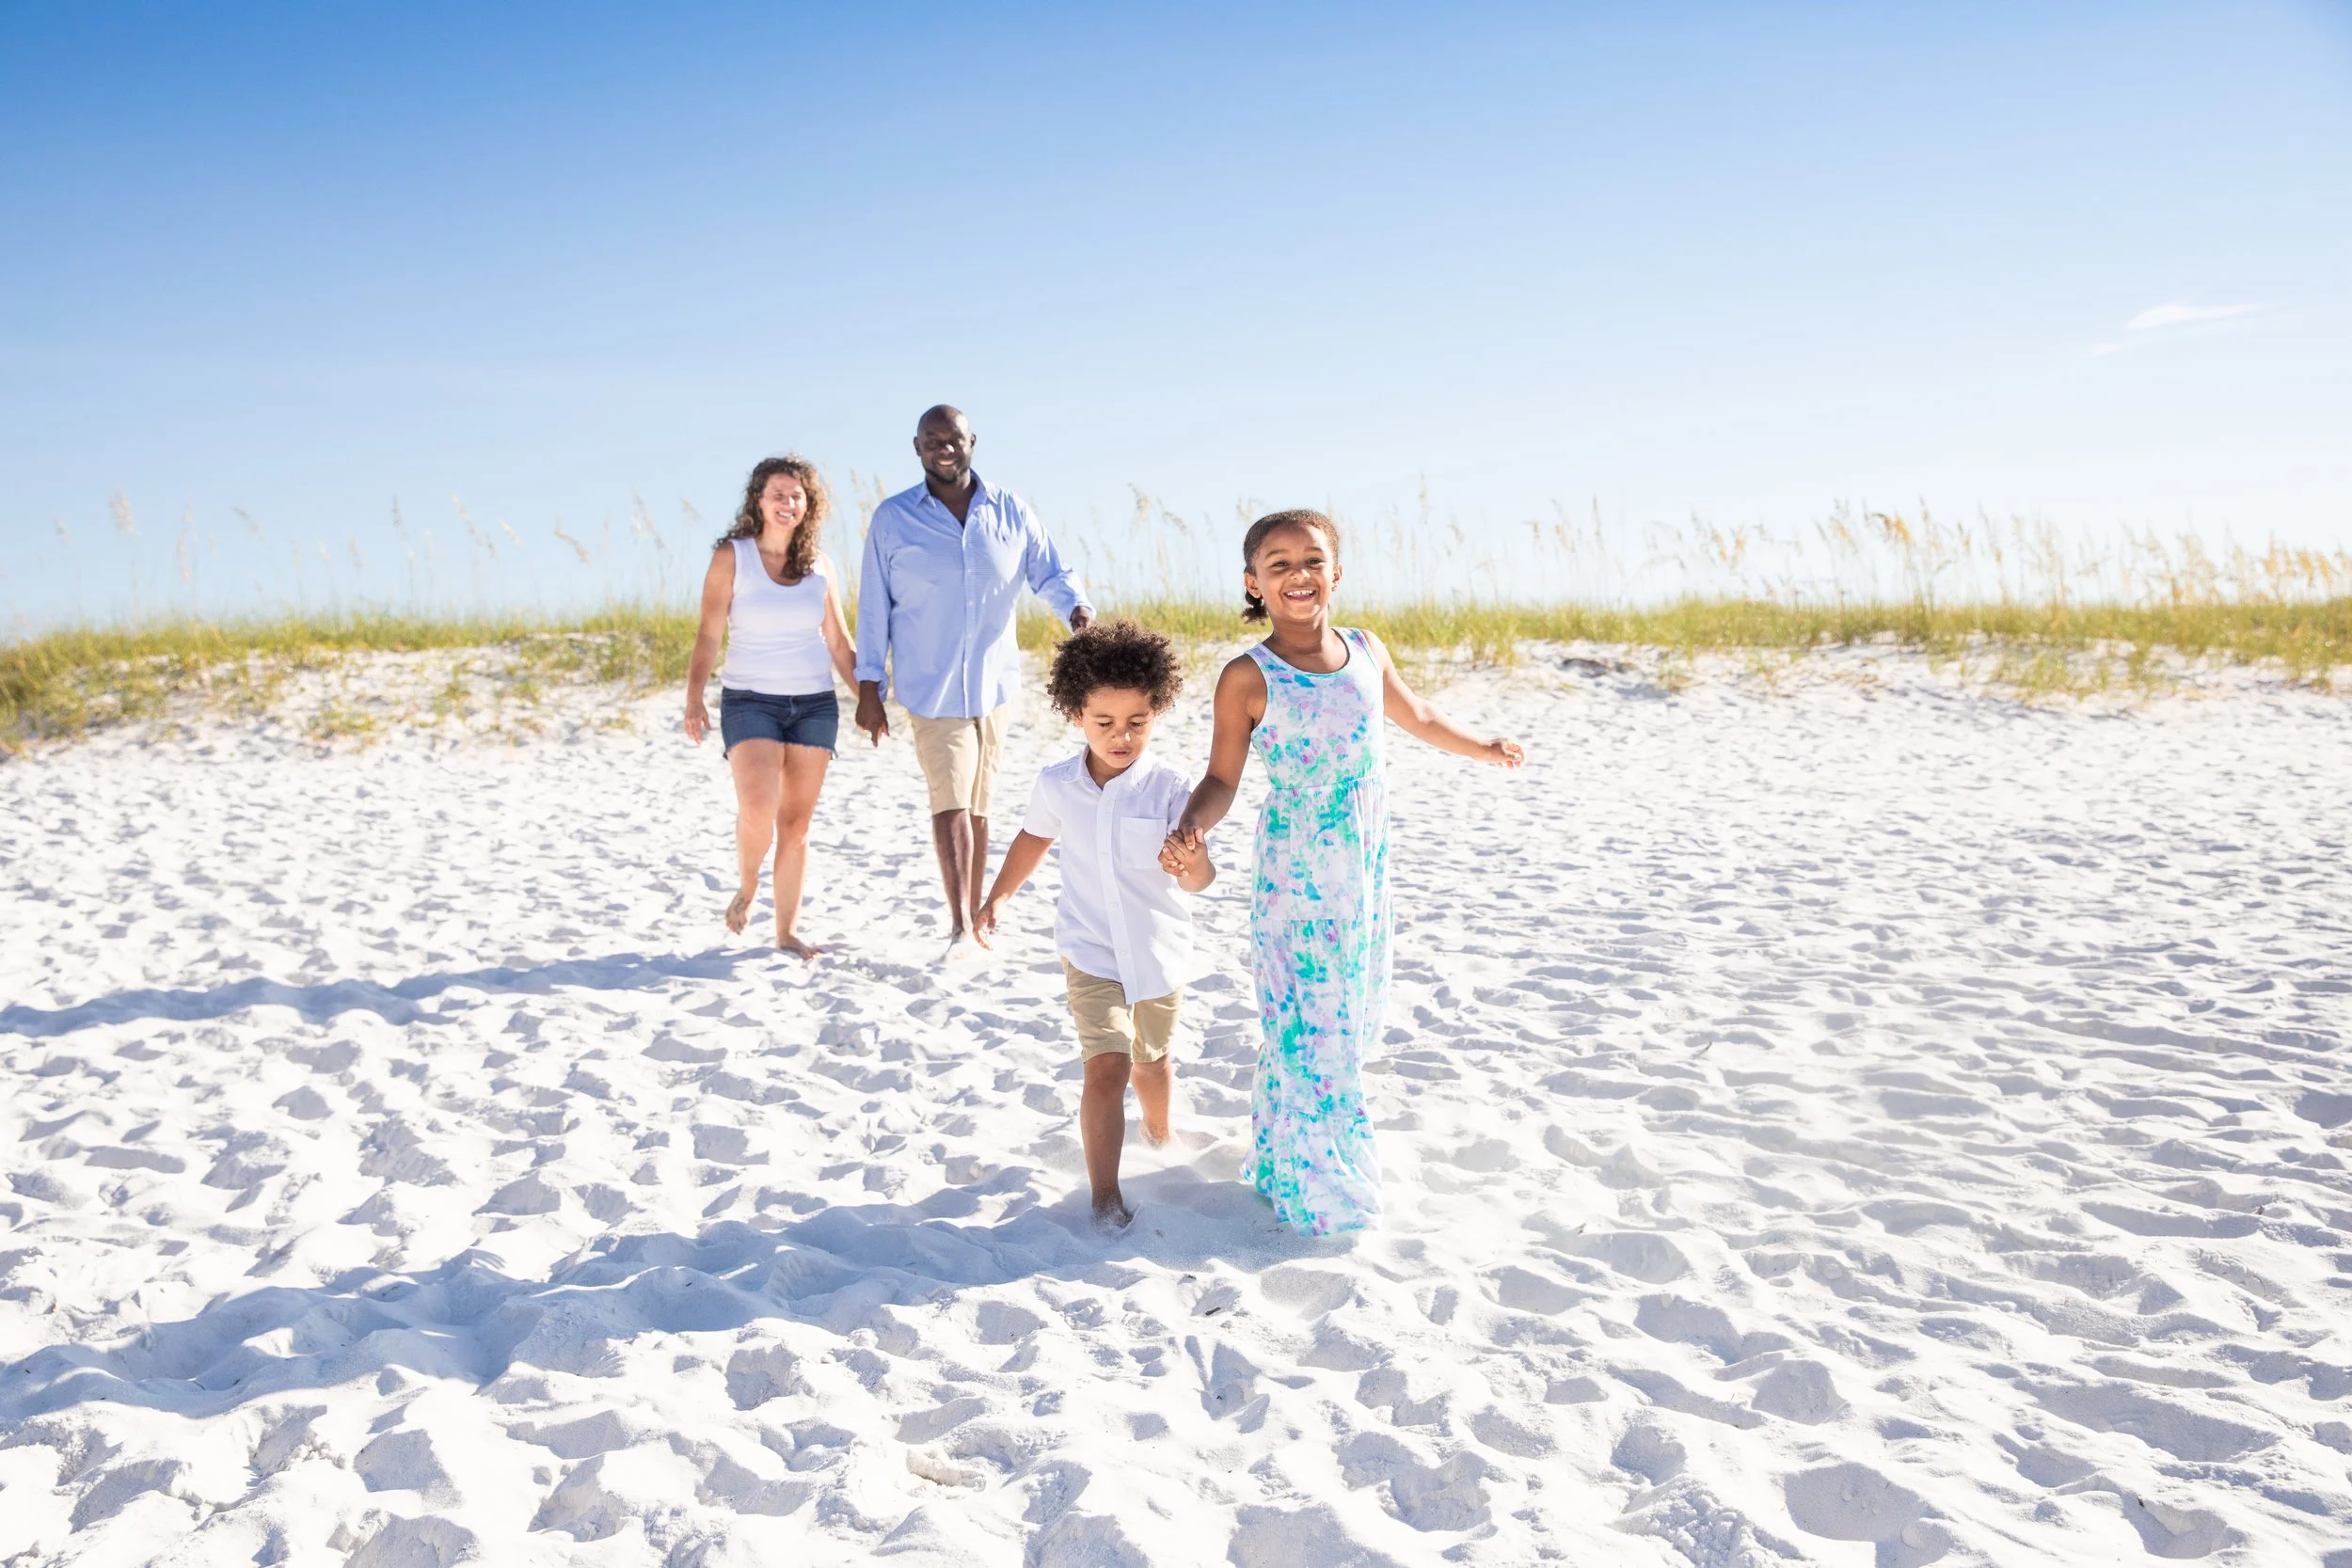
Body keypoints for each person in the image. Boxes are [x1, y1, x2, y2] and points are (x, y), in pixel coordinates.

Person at [1163, 511, 1524, 1236]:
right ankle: (1328, 1195)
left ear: (1336, 572)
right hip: (1296, 872)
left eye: (1312, 560)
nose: (1298, 575)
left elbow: (1418, 715)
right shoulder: (1247, 676)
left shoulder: (1366, 649)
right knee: (1312, 1024)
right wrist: (1193, 826)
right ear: (1254, 583)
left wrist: (1483, 746)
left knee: (1352, 1020)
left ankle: (1280, 1161)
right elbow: (1222, 778)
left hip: (1365, 865)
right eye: (1279, 564)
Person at [973, 620, 1213, 1229]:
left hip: (1157, 952)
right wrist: (998, 897)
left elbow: (1201, 878)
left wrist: (1190, 862)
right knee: (1106, 1066)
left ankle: (1159, 1132)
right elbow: (1033, 838)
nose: (1121, 736)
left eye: (1137, 722)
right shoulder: (1057, 784)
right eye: (1103, 722)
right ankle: (1105, 1198)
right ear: (1076, 713)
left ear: (1156, 710)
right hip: (1090, 951)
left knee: (1151, 1062)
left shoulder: (1171, 787)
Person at [853, 405, 1093, 953]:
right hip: (930, 685)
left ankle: (974, 914)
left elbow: (1051, 572)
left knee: (979, 807)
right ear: (917, 447)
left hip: (994, 685)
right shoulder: (892, 519)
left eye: (954, 439)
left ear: (972, 442)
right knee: (951, 801)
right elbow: (873, 607)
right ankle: (961, 924)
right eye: (933, 439)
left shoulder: (1010, 511)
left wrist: (1077, 610)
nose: (944, 448)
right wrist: (870, 686)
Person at [684, 455, 856, 958]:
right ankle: (747, 882)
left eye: (796, 496)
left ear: (809, 505)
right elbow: (708, 633)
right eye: (777, 494)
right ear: (758, 501)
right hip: (750, 700)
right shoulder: (732, 557)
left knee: (796, 826)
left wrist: (870, 699)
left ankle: (785, 932)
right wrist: (694, 697)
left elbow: (839, 642)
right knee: (758, 807)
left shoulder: (821, 566)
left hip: (815, 705)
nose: (787, 503)